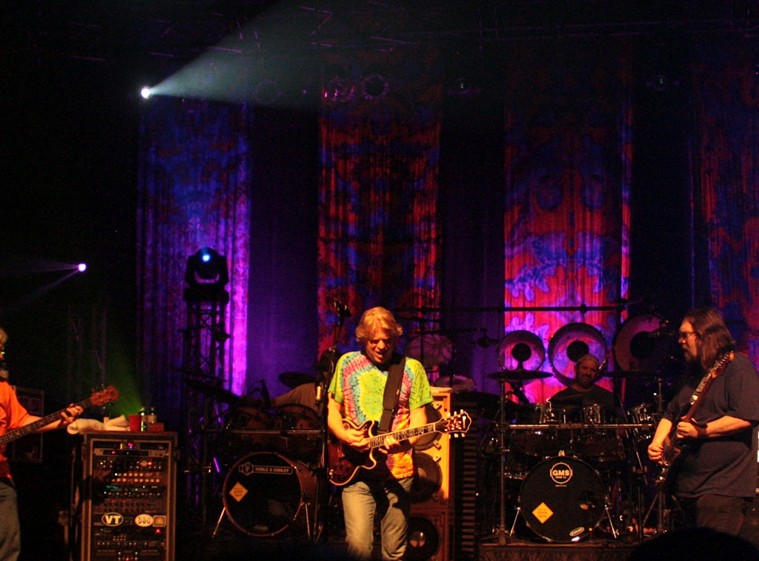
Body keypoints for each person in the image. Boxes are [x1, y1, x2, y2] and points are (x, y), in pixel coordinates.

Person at [327, 307, 433, 561]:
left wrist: (405, 443)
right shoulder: (347, 364)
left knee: (394, 552)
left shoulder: (412, 369)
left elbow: (420, 418)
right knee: (358, 549)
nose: (382, 346)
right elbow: (331, 408)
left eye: (388, 340)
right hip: (355, 470)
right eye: (374, 341)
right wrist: (343, 435)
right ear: (363, 338)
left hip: (398, 472)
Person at [647, 307, 759, 535]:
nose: (680, 341)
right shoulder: (693, 373)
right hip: (688, 487)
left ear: (704, 335)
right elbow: (671, 412)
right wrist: (657, 442)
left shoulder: (737, 367)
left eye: (684, 335)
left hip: (723, 488)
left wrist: (701, 432)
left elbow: (747, 415)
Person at [0, 327, 83, 561]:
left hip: (1, 477)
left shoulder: (3, 389)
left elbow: (22, 421)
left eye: (2, 349)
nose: (2, 355)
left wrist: (60, 421)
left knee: (9, 543)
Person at [549, 353, 616, 415]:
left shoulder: (606, 397)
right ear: (576, 369)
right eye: (584, 368)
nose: (588, 373)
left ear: (597, 374)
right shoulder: (560, 399)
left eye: (593, 370)